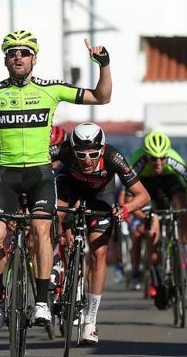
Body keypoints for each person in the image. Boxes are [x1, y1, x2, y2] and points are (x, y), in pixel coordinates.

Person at [0, 30, 111, 329]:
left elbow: (102, 96)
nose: (19, 56)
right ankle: (0, 296)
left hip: (40, 174)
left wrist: (103, 64)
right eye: (13, 52)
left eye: (25, 52)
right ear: (5, 59)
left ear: (34, 59)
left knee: (42, 230)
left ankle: (41, 300)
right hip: (6, 176)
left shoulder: (51, 89)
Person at [54, 123, 149, 344]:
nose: (87, 160)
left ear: (102, 149)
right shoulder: (64, 150)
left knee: (99, 253)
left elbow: (143, 195)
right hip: (69, 187)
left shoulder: (113, 156)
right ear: (72, 149)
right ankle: (55, 262)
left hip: (101, 196)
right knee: (53, 216)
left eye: (94, 154)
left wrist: (125, 210)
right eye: (81, 155)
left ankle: (90, 321)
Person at [128, 132, 187, 309]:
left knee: (184, 208)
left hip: (169, 182)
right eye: (153, 159)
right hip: (145, 186)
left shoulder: (175, 160)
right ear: (146, 155)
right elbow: (126, 197)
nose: (158, 163)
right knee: (153, 231)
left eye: (162, 158)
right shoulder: (135, 162)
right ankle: (158, 280)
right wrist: (143, 217)